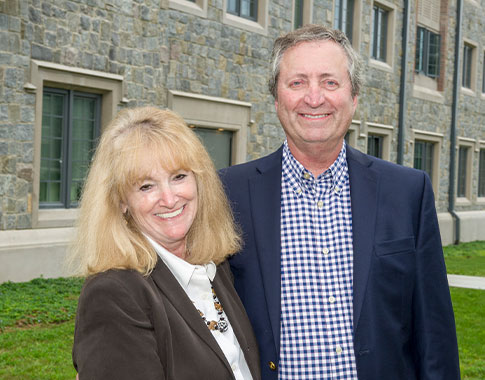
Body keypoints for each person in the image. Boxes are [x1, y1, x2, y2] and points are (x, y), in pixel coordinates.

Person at [220, 24, 460, 380]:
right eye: (297, 82)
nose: (314, 98)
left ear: (354, 96)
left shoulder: (407, 191)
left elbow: (434, 335)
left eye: (330, 82)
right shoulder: (228, 193)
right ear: (276, 99)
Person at [69, 106, 260, 380]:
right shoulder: (113, 295)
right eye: (146, 186)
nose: (169, 199)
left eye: (179, 177)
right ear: (122, 201)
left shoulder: (214, 268)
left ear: (199, 181)